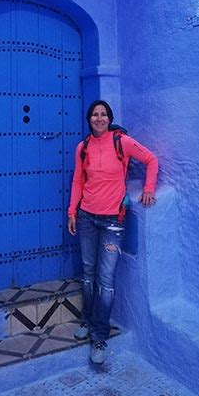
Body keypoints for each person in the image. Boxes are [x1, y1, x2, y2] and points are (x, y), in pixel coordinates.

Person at [68, 100, 158, 364]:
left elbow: (151, 159)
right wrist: (72, 212)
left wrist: (149, 188)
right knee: (87, 274)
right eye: (94, 114)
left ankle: (99, 335)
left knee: (105, 280)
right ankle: (85, 320)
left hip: (112, 222)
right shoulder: (82, 148)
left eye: (103, 114)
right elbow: (77, 180)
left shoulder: (122, 143)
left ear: (109, 118)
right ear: (89, 119)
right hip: (86, 218)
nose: (99, 118)